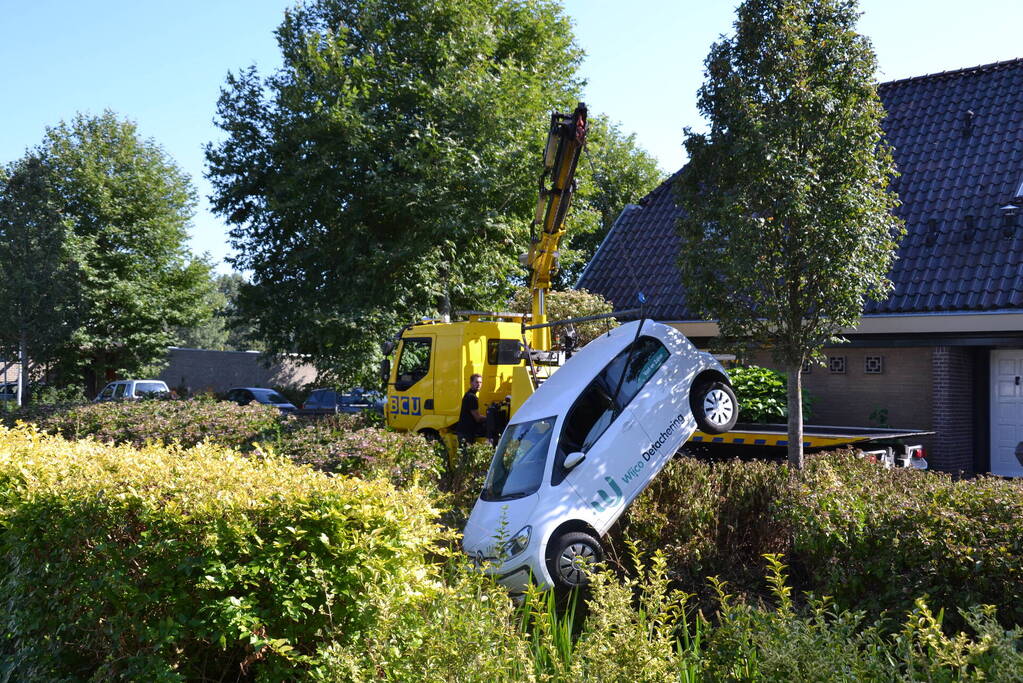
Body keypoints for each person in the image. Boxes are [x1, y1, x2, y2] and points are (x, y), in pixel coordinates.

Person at [455, 373, 486, 442]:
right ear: (471, 383)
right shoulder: (471, 397)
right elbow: (477, 418)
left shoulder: (469, 394)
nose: (479, 384)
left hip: (464, 431)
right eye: (476, 382)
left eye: (480, 382)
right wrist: (489, 418)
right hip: (466, 433)